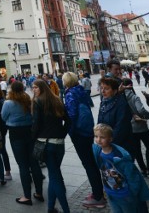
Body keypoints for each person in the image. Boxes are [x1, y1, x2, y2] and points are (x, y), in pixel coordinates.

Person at [62, 72, 106, 209]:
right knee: (91, 162)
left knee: (88, 164)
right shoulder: (80, 90)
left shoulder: (70, 94)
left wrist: (67, 130)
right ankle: (98, 192)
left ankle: (98, 197)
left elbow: (72, 115)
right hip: (87, 130)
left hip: (79, 132)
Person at [1, 81, 44, 206]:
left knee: (23, 165)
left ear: (11, 90)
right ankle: (39, 192)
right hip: (30, 132)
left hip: (16, 134)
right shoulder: (29, 100)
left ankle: (27, 196)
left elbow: (3, 117)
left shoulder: (8, 103)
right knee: (34, 163)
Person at [93, 123, 149, 212]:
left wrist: (131, 193)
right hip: (111, 193)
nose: (98, 140)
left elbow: (132, 177)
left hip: (125, 195)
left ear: (110, 139)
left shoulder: (120, 158)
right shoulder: (98, 152)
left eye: (102, 137)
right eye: (96, 136)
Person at [32, 80, 71, 213]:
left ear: (42, 88)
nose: (33, 90)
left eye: (35, 87)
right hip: (59, 144)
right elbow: (68, 120)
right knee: (54, 175)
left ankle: (66, 210)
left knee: (55, 177)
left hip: (46, 144)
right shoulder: (57, 100)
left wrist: (33, 139)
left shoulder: (38, 102)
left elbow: (36, 124)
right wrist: (62, 134)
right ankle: (50, 208)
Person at [121, 78, 149, 179]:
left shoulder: (120, 98)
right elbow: (141, 109)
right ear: (130, 85)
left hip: (130, 128)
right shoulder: (134, 97)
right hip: (140, 127)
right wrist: (147, 115)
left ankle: (143, 170)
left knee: (137, 150)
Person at [97, 77, 133, 155]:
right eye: (101, 88)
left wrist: (109, 143)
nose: (103, 91)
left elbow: (121, 127)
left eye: (106, 88)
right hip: (105, 144)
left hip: (120, 145)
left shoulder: (121, 104)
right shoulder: (103, 102)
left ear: (115, 91)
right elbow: (100, 123)